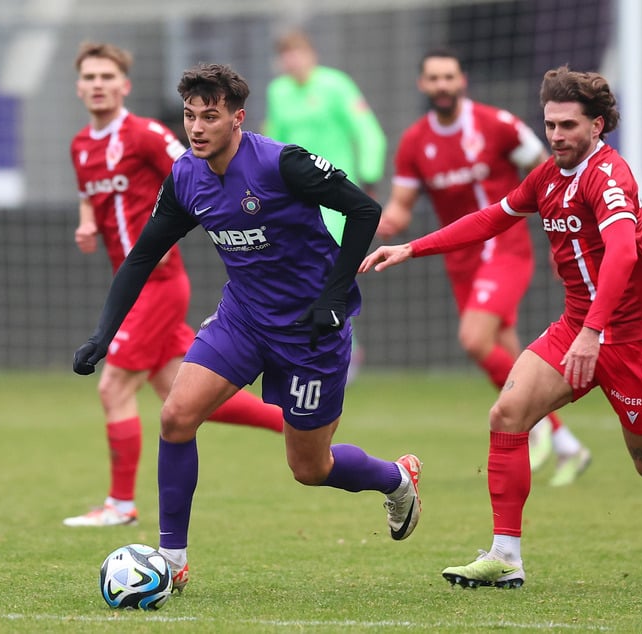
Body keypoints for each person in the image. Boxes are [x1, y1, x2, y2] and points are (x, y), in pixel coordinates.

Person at [361, 65, 642, 589]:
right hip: (576, 327)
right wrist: (412, 246)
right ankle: (505, 555)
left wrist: (594, 332)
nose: (556, 135)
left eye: (568, 126)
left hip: (630, 340)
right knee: (508, 413)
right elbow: (494, 216)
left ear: (597, 126)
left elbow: (623, 255)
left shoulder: (609, 177)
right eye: (550, 125)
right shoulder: (548, 176)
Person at [73, 62, 421, 592]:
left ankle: (395, 478)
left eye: (209, 117)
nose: (195, 128)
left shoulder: (284, 164)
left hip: (310, 332)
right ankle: (172, 560)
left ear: (237, 119)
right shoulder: (187, 176)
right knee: (176, 416)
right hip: (244, 319)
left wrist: (333, 295)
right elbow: (143, 257)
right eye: (190, 116)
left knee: (310, 467)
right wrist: (103, 333)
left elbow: (364, 210)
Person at [66, 42, 285, 528]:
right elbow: (89, 193)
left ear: (124, 86)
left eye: (107, 76)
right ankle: (290, 421)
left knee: (113, 386)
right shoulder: (82, 145)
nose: (98, 84)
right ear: (79, 86)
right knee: (181, 397)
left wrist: (170, 233)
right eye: (90, 77)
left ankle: (120, 505)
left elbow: (190, 167)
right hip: (136, 279)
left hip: (159, 282)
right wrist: (87, 222)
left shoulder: (144, 135)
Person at [377, 47, 590, 485]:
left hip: (504, 249)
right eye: (433, 78)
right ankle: (567, 443)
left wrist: (563, 236)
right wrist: (364, 220)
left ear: (462, 80)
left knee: (474, 340)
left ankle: (533, 429)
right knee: (512, 358)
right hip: (461, 262)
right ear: (423, 85)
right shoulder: (415, 141)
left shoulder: (497, 125)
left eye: (448, 77)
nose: (441, 85)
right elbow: (399, 209)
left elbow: (550, 172)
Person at [264, 29, 388, 383]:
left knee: (328, 268)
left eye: (298, 53)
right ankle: (319, 346)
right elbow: (271, 141)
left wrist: (369, 181)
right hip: (292, 201)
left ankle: (343, 346)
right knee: (294, 272)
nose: (293, 61)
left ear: (312, 54)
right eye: (286, 54)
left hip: (335, 198)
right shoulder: (279, 92)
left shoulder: (336, 86)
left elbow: (368, 132)